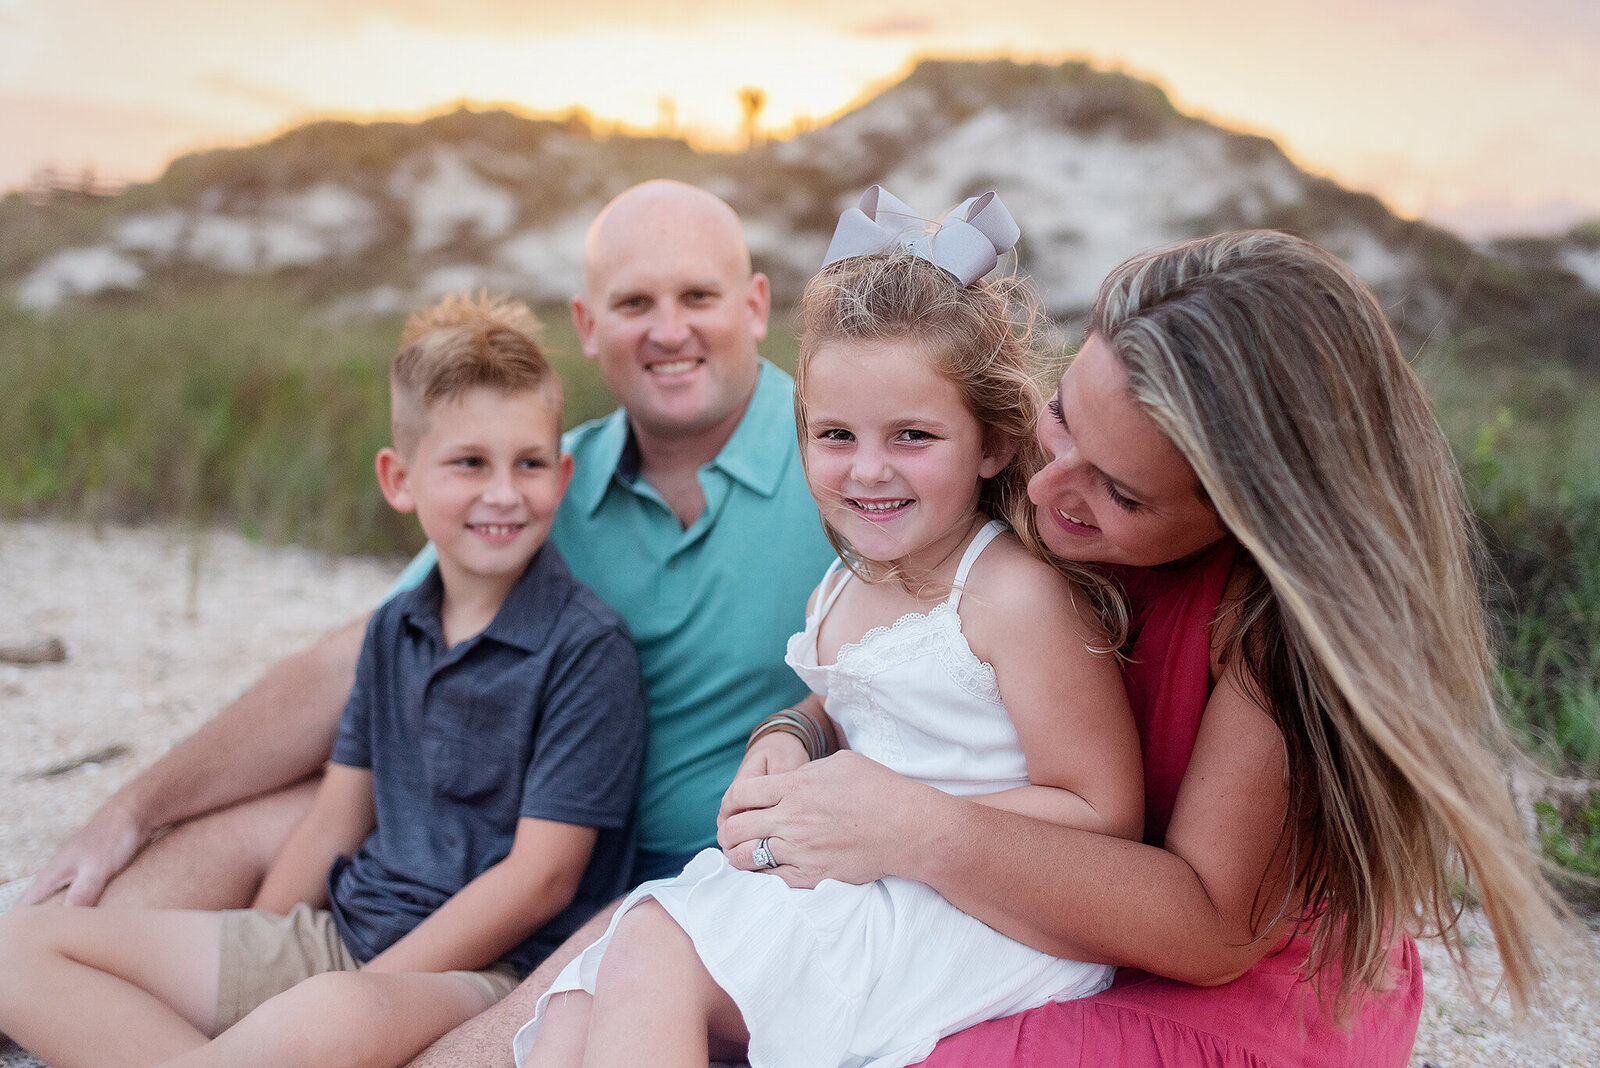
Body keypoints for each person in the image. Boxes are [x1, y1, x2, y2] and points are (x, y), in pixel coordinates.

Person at [16, 180, 835, 1066]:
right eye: (634, 302)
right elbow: (356, 666)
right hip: (477, 833)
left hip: (672, 884)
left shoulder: (840, 467)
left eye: (697, 297)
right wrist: (134, 808)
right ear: (588, 325)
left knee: (437, 1026)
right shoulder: (546, 481)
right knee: (239, 827)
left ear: (755, 306)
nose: (667, 330)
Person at [719, 229, 1568, 1065]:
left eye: (1120, 491)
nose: (1050, 491)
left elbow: (1213, 930)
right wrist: (797, 732)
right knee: (649, 962)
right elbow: (909, 671)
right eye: (1062, 416)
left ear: (1246, 518)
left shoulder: (1277, 624)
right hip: (1029, 926)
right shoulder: (1027, 504)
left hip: (1223, 993)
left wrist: (919, 831)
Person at [517, 198, 1146, 1068]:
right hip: (866, 873)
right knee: (574, 1008)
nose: (869, 469)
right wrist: (790, 734)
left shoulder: (1014, 596)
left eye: (913, 436)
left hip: (976, 912)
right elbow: (863, 695)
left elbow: (1104, 811)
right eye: (836, 435)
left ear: (993, 443)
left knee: (653, 945)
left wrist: (890, 819)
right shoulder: (856, 573)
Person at [0, 293, 647, 1067]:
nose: (504, 492)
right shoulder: (393, 628)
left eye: (529, 463)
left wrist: (362, 988)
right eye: (469, 462)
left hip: (476, 973)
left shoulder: (585, 648)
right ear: (399, 478)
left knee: (322, 1018)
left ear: (562, 473)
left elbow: (539, 881)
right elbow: (332, 824)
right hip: (341, 931)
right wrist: (258, 952)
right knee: (20, 949)